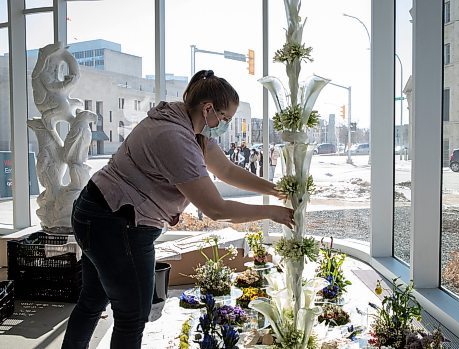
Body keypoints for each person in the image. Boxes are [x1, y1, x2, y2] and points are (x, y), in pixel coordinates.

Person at [61, 69, 294, 349]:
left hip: (96, 211)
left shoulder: (184, 124)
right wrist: (272, 212)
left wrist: (274, 189)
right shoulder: (174, 138)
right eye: (224, 118)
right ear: (207, 108)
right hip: (117, 222)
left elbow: (227, 170)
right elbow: (216, 209)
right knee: (133, 315)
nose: (224, 125)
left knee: (92, 301)